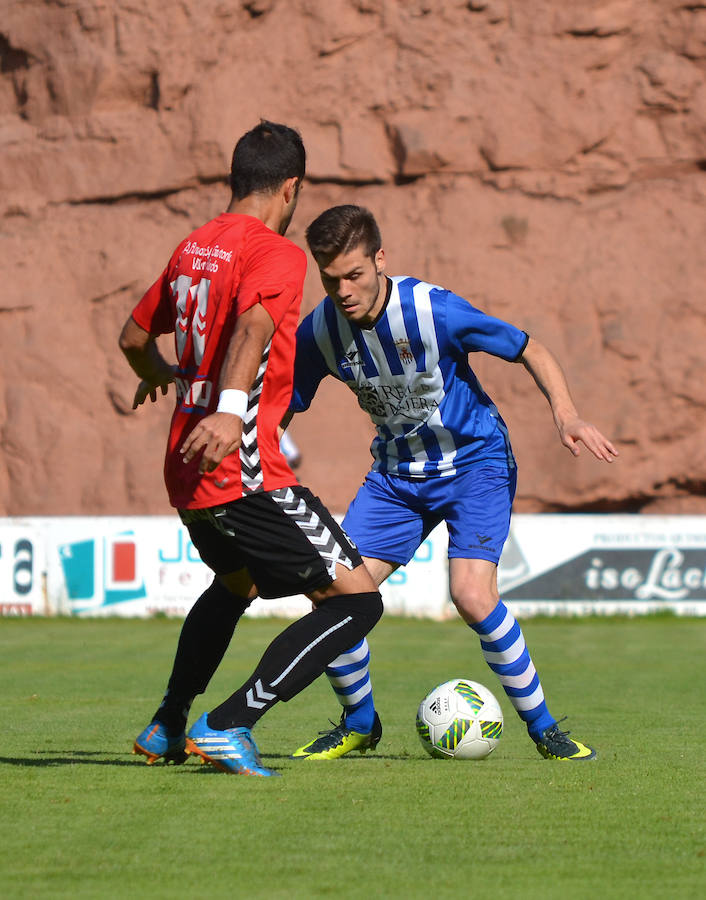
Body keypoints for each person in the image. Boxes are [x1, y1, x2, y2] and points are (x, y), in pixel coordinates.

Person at [286, 204, 618, 762]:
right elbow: (282, 406)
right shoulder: (319, 331)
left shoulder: (433, 309)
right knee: (335, 596)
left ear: (380, 260)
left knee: (470, 596)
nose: (343, 290)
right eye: (330, 278)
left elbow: (529, 347)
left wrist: (566, 415)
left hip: (475, 465)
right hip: (397, 477)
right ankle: (360, 724)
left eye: (354, 275)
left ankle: (545, 731)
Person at [118, 126, 382, 777]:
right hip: (241, 466)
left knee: (237, 583)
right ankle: (230, 722)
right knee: (357, 600)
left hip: (184, 465)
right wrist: (232, 413)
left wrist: (157, 373)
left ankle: (168, 723)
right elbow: (254, 327)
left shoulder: (193, 247)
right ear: (290, 188)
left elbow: (132, 335)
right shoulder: (277, 253)